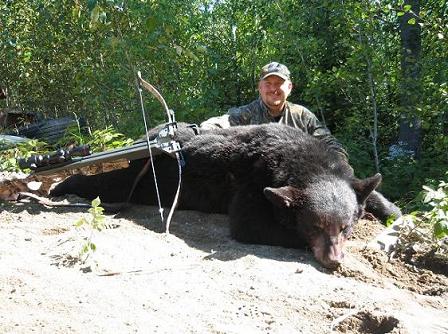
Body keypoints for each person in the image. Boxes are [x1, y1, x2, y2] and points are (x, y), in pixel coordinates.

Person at [200, 61, 347, 158]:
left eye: (278, 83)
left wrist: (337, 165)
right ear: (260, 87)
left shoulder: (302, 116)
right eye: (268, 83)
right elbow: (213, 125)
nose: (273, 89)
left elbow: (331, 144)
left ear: (289, 87)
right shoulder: (246, 114)